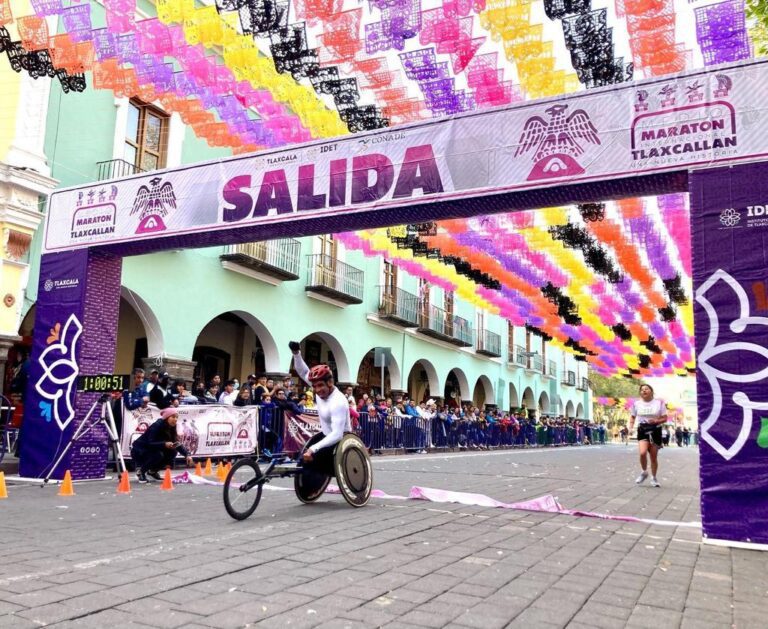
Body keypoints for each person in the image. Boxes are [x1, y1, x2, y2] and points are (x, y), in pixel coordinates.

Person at [289, 341, 351, 472]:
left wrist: (313, 449)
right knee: (302, 460)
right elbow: (302, 371)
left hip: (340, 441)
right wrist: (296, 353)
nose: (317, 390)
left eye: (320, 386)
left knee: (312, 460)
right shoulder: (319, 387)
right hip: (325, 435)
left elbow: (337, 435)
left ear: (330, 382)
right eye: (315, 386)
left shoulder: (338, 402)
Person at [131, 407, 194, 483]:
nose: (175, 419)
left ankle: (152, 472)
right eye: (173, 417)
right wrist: (164, 444)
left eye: (177, 417)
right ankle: (141, 472)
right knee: (158, 454)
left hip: (153, 449)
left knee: (173, 452)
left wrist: (187, 455)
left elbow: (176, 443)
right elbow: (149, 443)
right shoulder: (156, 426)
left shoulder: (172, 427)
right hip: (139, 450)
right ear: (166, 418)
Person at [629, 384, 667, 488]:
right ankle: (644, 472)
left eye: (646, 389)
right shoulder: (636, 404)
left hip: (655, 430)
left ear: (651, 391)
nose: (644, 391)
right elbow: (632, 417)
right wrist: (631, 427)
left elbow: (665, 418)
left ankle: (654, 478)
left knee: (653, 457)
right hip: (642, 429)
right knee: (642, 453)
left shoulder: (659, 403)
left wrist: (656, 420)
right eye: (641, 390)